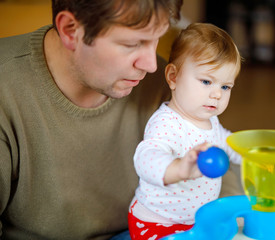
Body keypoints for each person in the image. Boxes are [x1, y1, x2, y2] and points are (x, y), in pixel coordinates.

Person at [0, 0, 183, 239]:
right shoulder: (6, 88)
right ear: (70, 30)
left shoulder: (163, 82)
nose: (150, 64)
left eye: (157, 37)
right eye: (132, 44)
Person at [128, 23, 243, 240]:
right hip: (157, 222)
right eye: (207, 81)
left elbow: (225, 142)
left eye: (225, 87)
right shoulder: (167, 122)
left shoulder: (210, 120)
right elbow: (146, 158)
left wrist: (249, 154)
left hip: (194, 220)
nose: (217, 94)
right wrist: (179, 168)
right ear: (173, 77)